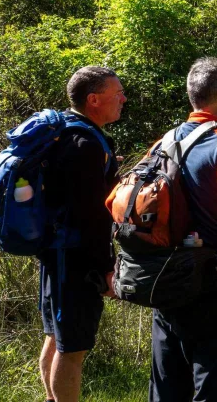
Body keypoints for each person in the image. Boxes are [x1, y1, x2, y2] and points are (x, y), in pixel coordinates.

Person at [150, 57, 217, 401]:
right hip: (214, 286)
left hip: (165, 282)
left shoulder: (163, 142)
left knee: (168, 388)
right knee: (216, 388)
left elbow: (117, 201)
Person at [38, 65, 125, 402]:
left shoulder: (67, 132)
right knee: (72, 348)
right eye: (116, 93)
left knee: (55, 337)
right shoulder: (84, 143)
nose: (123, 99)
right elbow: (90, 217)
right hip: (75, 259)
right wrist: (106, 268)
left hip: (57, 254)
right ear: (93, 100)